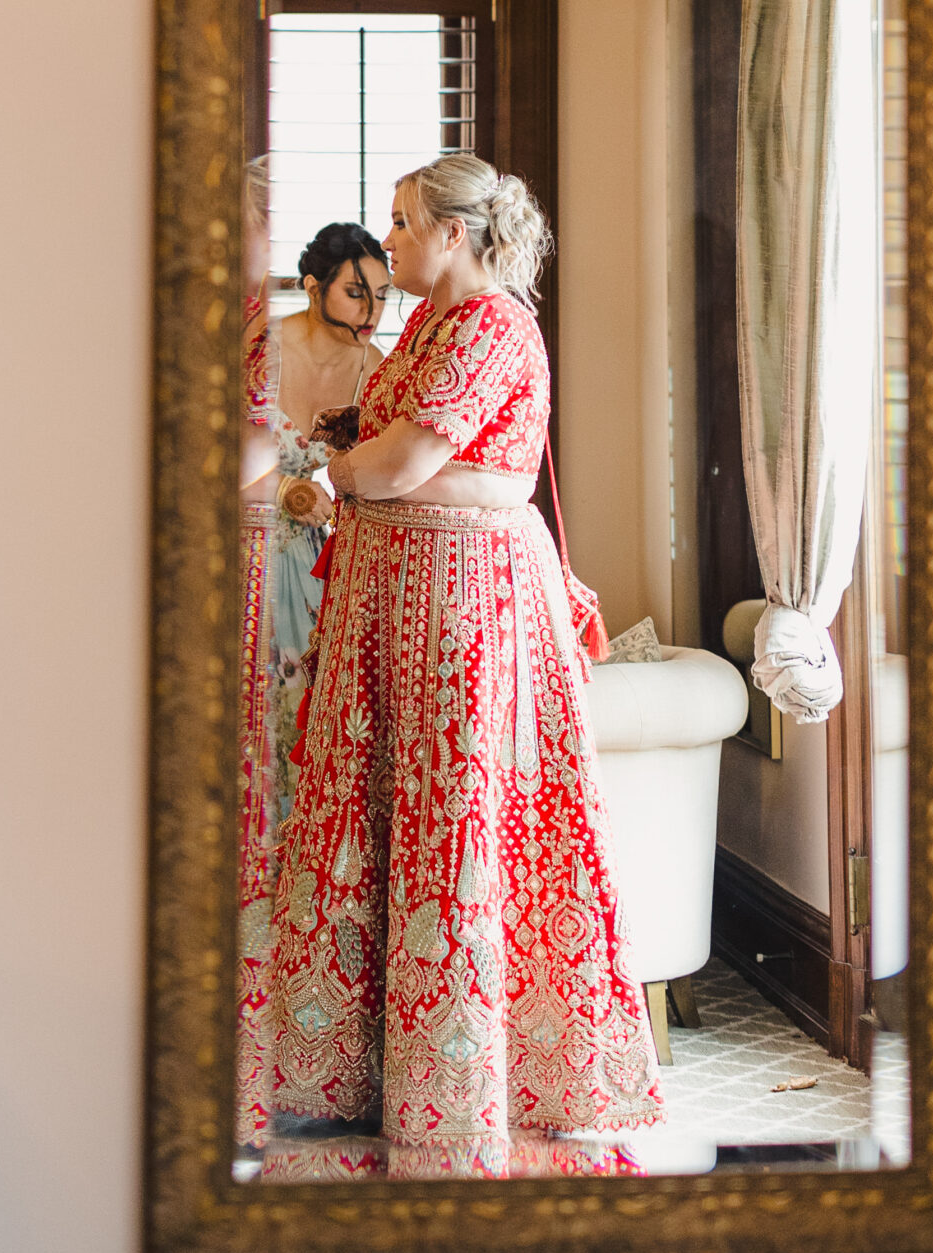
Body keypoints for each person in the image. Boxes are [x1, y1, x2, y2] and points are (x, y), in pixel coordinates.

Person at [264, 153, 663, 1176]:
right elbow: (395, 450)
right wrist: (364, 452)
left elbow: (400, 466)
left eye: (401, 223)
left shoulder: (491, 326)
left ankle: (460, 1081)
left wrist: (343, 468)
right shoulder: (429, 328)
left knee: (455, 818)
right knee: (389, 811)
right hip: (401, 595)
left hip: (462, 604)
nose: (386, 240)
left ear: (453, 232)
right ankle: (363, 1070)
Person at [237, 188, 391, 1149]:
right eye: (354, 289)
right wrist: (288, 487)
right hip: (260, 541)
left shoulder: (375, 366)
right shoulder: (272, 344)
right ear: (312, 284)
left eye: (380, 291)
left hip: (328, 553)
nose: (371, 307)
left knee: (314, 711)